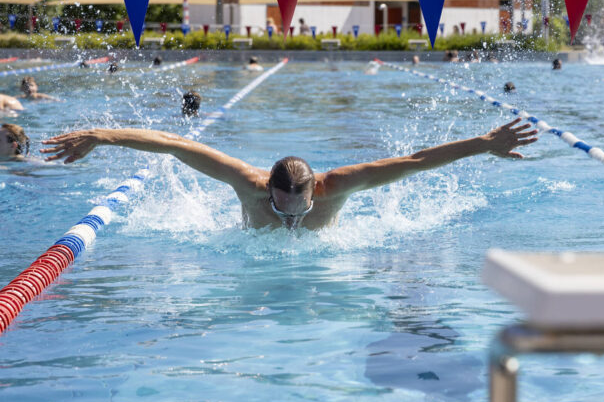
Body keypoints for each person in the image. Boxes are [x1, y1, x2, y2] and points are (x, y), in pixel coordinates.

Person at [40, 119, 539, 231]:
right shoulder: (247, 183)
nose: (290, 218)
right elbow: (175, 144)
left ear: (315, 190)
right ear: (269, 190)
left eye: (298, 210)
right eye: (281, 208)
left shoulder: (338, 186)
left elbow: (415, 162)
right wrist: (103, 136)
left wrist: (482, 144)